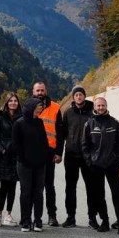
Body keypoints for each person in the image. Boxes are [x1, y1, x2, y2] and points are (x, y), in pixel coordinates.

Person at [82, 97, 119, 237]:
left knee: (117, 195)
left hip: (112, 165)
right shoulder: (89, 124)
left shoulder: (114, 123)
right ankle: (105, 221)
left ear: (106, 106)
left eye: (103, 105)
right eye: (98, 105)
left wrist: (117, 158)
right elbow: (85, 145)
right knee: (99, 195)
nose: (101, 107)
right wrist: (89, 161)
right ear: (95, 107)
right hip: (96, 165)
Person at [12, 97, 52, 232]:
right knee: (26, 192)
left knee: (38, 192)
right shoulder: (19, 123)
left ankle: (38, 220)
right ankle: (25, 220)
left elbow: (44, 142)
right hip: (24, 164)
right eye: (37, 109)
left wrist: (45, 156)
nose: (39, 111)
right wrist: (24, 159)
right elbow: (16, 145)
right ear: (30, 108)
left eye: (40, 109)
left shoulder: (39, 122)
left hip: (40, 164)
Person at [60, 86, 95, 228]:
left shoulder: (92, 113)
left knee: (91, 188)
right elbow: (62, 133)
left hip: (88, 156)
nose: (79, 97)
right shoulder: (68, 113)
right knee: (70, 187)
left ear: (84, 96)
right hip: (71, 155)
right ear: (73, 98)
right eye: (76, 95)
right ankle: (70, 217)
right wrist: (57, 152)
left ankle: (92, 218)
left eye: (81, 95)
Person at [32, 82, 66, 226]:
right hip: (33, 153)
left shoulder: (56, 107)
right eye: (37, 90)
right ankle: (33, 217)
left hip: (50, 152)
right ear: (33, 92)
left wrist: (59, 152)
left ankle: (52, 216)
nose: (40, 93)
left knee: (49, 186)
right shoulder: (28, 106)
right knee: (34, 186)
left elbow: (61, 132)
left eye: (42, 90)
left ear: (46, 91)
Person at [0, 93, 21, 226]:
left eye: (15, 101)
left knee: (13, 186)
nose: (13, 103)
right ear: (7, 102)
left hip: (17, 155)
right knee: (4, 186)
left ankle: (8, 214)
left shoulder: (22, 117)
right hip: (3, 155)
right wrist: (1, 149)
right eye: (11, 101)